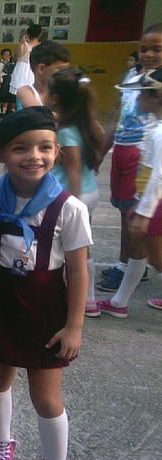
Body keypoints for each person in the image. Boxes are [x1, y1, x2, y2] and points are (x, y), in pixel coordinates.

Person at [0, 106, 91, 460]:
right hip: (1, 296)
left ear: (57, 152)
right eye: (21, 148)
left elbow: (77, 270)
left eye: (45, 147)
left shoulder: (69, 208)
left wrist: (74, 326)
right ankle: (1, 444)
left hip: (45, 303)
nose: (34, 156)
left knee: (46, 397)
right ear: (1, 155)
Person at [96, 24, 162, 299]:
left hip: (145, 153)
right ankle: (136, 262)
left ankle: (127, 265)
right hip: (123, 149)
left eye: (157, 49)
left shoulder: (158, 84)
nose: (148, 54)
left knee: (134, 215)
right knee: (125, 211)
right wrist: (102, 151)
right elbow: (118, 117)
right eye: (143, 49)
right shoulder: (131, 76)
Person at [45, 68, 104, 318]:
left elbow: (74, 171)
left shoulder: (67, 130)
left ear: (56, 97)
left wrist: (74, 204)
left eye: (47, 90)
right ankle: (87, 298)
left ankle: (87, 299)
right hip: (88, 191)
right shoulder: (85, 122)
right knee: (81, 247)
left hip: (75, 194)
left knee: (77, 248)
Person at [126, 70, 162, 311]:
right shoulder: (156, 126)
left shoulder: (160, 133)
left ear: (156, 95)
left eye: (140, 93)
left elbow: (158, 175)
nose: (137, 98)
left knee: (159, 260)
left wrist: (144, 212)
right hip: (152, 203)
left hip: (157, 207)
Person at [16, 40, 71, 109]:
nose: (66, 73)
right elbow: (40, 116)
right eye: (61, 69)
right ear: (41, 69)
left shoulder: (63, 92)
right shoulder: (26, 91)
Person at [9, 23, 42, 96]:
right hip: (35, 73)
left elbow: (14, 59)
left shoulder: (22, 46)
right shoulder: (42, 47)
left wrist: (22, 42)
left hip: (20, 74)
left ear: (28, 34)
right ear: (40, 34)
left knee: (20, 101)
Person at [0, 48, 15, 114]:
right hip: (2, 81)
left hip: (10, 81)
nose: (6, 56)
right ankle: (0, 111)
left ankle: (5, 111)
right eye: (5, 55)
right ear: (1, 55)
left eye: (8, 55)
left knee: (9, 96)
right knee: (2, 96)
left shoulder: (12, 63)